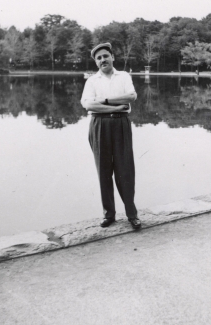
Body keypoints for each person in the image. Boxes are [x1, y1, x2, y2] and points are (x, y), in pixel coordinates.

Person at [81, 43, 141, 230]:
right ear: (96, 62)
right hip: (99, 125)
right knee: (104, 171)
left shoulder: (123, 76)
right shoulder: (92, 81)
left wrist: (104, 100)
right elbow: (89, 106)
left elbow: (131, 96)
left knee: (125, 169)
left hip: (121, 125)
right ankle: (109, 214)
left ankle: (132, 214)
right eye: (98, 58)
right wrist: (115, 106)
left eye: (105, 56)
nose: (103, 60)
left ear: (113, 57)